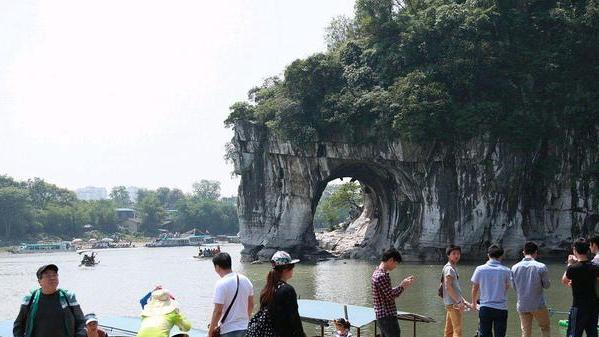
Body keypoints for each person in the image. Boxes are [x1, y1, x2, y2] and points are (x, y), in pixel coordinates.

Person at [13, 264, 86, 337]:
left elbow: (81, 322)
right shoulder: (30, 299)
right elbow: (19, 325)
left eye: (55, 275)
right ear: (39, 282)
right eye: (48, 276)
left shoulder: (68, 297)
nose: (52, 278)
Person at [259, 250, 305, 337]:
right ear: (286, 269)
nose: (293, 269)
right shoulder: (287, 290)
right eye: (292, 266)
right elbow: (294, 320)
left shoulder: (266, 290)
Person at [371, 247, 416, 337]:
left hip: (381, 316)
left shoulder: (376, 273)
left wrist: (402, 284)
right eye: (395, 263)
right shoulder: (382, 276)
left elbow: (387, 292)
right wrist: (403, 286)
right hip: (387, 316)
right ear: (391, 260)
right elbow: (391, 296)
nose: (395, 266)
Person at [208, 252, 254, 337]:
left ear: (217, 267)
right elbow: (251, 305)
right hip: (245, 328)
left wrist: (210, 333)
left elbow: (217, 311)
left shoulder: (221, 284)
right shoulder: (246, 280)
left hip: (228, 330)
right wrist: (244, 320)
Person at [511, 242, 551, 337]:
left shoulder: (514, 268)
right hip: (538, 304)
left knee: (525, 332)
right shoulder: (541, 266)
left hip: (522, 305)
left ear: (523, 252)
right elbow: (547, 285)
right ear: (536, 252)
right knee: (545, 327)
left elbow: (514, 287)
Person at [470, 244, 511, 337]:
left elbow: (475, 287)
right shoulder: (506, 271)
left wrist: (473, 303)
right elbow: (507, 286)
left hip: (485, 307)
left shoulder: (480, 269)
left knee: (484, 334)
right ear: (501, 256)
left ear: (488, 255)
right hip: (501, 308)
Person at [561, 239, 599, 337]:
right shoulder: (595, 267)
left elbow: (564, 280)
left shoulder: (573, 268)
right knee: (592, 333)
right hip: (593, 306)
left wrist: (570, 263)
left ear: (574, 250)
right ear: (587, 250)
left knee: (574, 334)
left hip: (579, 307)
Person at [442, 245, 470, 337]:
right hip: (454, 304)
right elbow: (448, 287)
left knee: (449, 331)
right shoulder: (449, 269)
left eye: (458, 253)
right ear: (448, 255)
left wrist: (463, 300)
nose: (456, 256)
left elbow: (454, 288)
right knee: (457, 331)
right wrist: (458, 301)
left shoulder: (450, 268)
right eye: (453, 253)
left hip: (451, 303)